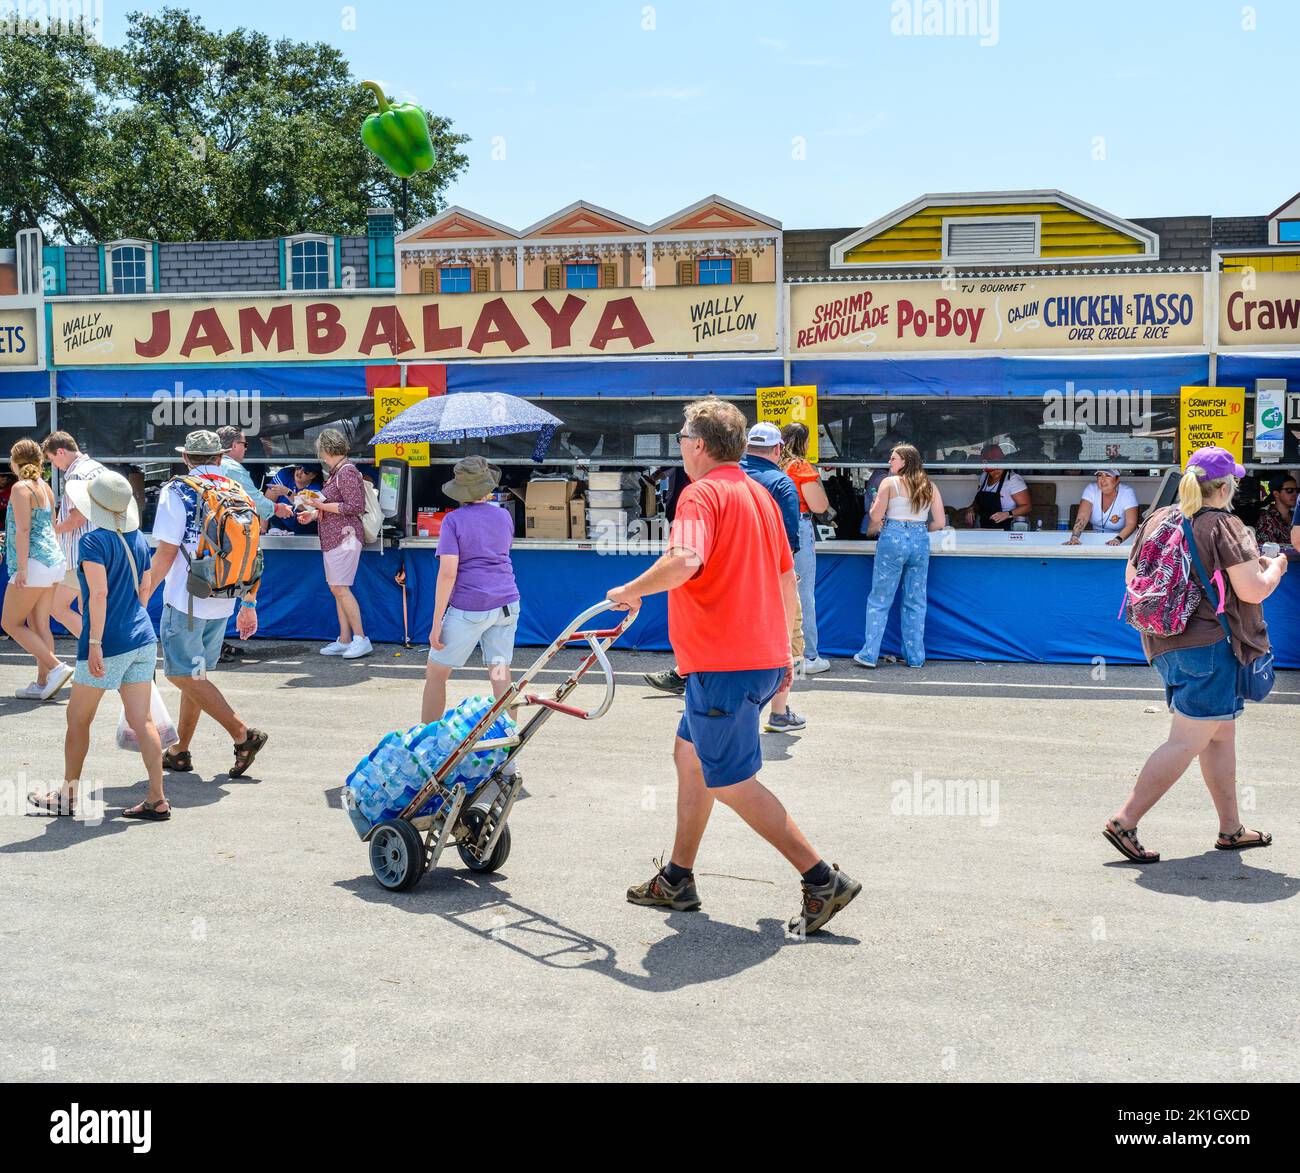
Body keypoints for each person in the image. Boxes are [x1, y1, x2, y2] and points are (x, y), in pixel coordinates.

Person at [606, 400, 860, 935]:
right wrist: (787, 651)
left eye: (681, 438)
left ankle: (820, 879)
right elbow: (788, 580)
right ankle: (677, 876)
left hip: (726, 662)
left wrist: (630, 592)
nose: (678, 445)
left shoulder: (700, 495)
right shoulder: (761, 495)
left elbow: (684, 561)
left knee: (732, 782)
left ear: (699, 445)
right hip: (756, 657)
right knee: (690, 756)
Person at [1104, 446, 1287, 863]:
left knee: (1219, 734)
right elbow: (1253, 590)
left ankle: (1231, 828)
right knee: (1187, 740)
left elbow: (1133, 577)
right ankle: (1125, 820)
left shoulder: (1158, 518)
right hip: (1209, 646)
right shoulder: (1225, 525)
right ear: (1224, 487)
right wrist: (1273, 567)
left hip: (1162, 642)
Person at [26, 471, 166, 820]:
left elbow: (99, 593)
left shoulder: (92, 542)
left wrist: (94, 642)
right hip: (142, 636)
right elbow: (145, 589)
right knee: (143, 721)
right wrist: (132, 619)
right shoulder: (135, 537)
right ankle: (157, 797)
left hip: (110, 640)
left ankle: (67, 795)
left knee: (78, 719)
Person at [146, 430, 268, 779]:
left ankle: (242, 734)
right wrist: (250, 601)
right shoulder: (236, 490)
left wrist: (142, 596)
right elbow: (255, 551)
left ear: (186, 458)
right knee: (195, 675)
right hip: (224, 597)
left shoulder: (177, 490)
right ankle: (180, 750)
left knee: (179, 673)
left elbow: (166, 552)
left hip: (187, 599)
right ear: (218, 458)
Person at [421, 457, 521, 724]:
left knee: (436, 674)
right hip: (507, 605)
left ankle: (426, 747)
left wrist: (436, 622)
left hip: (470, 607)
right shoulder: (503, 515)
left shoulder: (453, 521)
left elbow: (448, 573)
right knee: (500, 673)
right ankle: (508, 751)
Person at [855, 444, 946, 669]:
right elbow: (940, 523)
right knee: (915, 600)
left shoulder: (889, 483)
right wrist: (920, 528)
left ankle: (869, 654)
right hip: (919, 539)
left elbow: (875, 516)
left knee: (880, 598)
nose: (889, 462)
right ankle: (915, 657)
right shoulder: (929, 486)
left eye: (893, 458)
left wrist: (884, 517)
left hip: (892, 537)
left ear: (905, 461)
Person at [740, 421, 806, 733]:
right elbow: (789, 544)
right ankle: (778, 712)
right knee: (786, 639)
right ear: (778, 449)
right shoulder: (781, 483)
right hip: (770, 577)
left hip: (731, 579)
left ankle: (735, 708)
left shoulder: (726, 479)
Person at [3, 439, 73, 700]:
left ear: (15, 461)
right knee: (40, 624)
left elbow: (23, 530)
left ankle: (56, 668)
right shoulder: (45, 487)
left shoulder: (21, 488)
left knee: (10, 622)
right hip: (53, 560)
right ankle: (44, 683)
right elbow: (51, 525)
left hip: (33, 562)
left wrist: (21, 569)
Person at [294, 428, 372, 659]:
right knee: (338, 588)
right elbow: (340, 507)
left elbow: (355, 507)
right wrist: (314, 514)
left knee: (340, 588)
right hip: (336, 537)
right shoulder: (338, 471)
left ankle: (360, 638)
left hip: (344, 537)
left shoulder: (345, 472)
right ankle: (346, 638)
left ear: (325, 449)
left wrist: (318, 507)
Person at [43, 430, 106, 641]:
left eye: (53, 459)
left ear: (61, 451)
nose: (55, 466)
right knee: (86, 607)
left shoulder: (77, 475)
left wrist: (51, 530)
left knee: (57, 607)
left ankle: (96, 648)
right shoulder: (97, 468)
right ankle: (98, 648)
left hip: (81, 554)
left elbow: (77, 520)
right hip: (99, 551)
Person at [780, 421, 831, 675]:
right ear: (805, 442)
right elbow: (819, 505)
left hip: (772, 528)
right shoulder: (800, 467)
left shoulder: (772, 465)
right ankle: (808, 655)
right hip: (798, 527)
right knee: (803, 593)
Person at [217, 426, 292, 531]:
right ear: (234, 445)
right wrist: (276, 508)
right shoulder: (233, 468)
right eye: (245, 444)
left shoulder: (212, 464)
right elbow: (252, 498)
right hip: (226, 529)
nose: (246, 448)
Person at [1065, 468, 1140, 546]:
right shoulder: (1091, 489)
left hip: (1123, 540)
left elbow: (1131, 524)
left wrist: (1117, 540)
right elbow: (1082, 516)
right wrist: (1074, 537)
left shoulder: (1127, 492)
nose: (1103, 480)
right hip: (1096, 539)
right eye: (1100, 475)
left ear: (1117, 480)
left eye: (1108, 476)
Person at [962, 445, 1030, 529]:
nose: (983, 464)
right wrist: (971, 508)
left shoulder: (1013, 480)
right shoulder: (984, 476)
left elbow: (1027, 507)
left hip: (1005, 529)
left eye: (986, 461)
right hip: (983, 527)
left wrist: (1007, 514)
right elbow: (978, 501)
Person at [265, 463, 323, 534]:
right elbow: (267, 502)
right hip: (279, 525)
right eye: (299, 467)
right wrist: (263, 529)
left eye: (306, 471)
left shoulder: (316, 487)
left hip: (306, 530)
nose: (299, 472)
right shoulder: (285, 474)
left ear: (313, 475)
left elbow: (304, 506)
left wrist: (287, 492)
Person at [1253, 471, 1296, 547]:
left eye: (1297, 490)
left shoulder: (1295, 516)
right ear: (1276, 494)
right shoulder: (1266, 520)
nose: (1295, 494)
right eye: (1289, 490)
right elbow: (1267, 552)